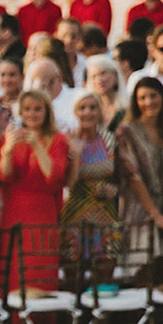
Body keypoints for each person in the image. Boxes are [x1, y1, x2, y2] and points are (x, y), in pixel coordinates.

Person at [0, 92, 71, 290]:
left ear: (46, 112)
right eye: (27, 109)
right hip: (15, 210)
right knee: (14, 269)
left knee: (39, 268)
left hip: (42, 211)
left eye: (38, 109)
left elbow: (54, 175)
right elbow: (4, 175)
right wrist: (8, 150)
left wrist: (37, 145)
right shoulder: (11, 138)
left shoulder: (58, 140)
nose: (32, 114)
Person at [115, 76, 163, 234]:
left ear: (162, 97)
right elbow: (133, 176)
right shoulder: (127, 133)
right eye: (142, 98)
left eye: (153, 95)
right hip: (139, 217)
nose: (148, 102)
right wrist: (156, 216)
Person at [60, 91, 119, 230]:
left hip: (106, 214)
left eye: (93, 108)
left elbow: (120, 175)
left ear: (100, 111)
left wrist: (114, 189)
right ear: (75, 112)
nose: (87, 112)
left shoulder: (109, 139)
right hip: (75, 214)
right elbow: (66, 181)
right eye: (82, 108)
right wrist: (74, 155)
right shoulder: (67, 139)